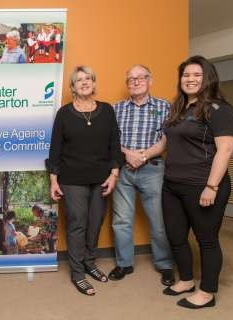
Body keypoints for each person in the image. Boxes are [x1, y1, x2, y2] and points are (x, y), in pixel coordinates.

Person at [161, 55, 233, 309]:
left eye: (196, 75)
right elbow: (168, 141)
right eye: (185, 75)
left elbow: (225, 150)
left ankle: (207, 292)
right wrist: (142, 155)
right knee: (176, 236)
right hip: (172, 185)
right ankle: (186, 280)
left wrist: (211, 186)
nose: (190, 79)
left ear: (207, 78)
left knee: (206, 239)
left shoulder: (218, 109)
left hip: (203, 185)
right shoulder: (179, 107)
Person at [46, 65, 123, 296]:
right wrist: (54, 180)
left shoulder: (107, 110)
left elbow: (114, 145)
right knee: (77, 223)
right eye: (79, 80)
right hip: (72, 179)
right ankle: (78, 273)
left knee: (95, 222)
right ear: (73, 87)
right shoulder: (64, 113)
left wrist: (114, 174)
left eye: (88, 78)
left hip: (101, 178)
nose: (84, 82)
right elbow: (55, 149)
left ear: (94, 83)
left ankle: (90, 262)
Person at [110, 65, 174, 286]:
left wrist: (144, 156)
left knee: (158, 220)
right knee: (121, 220)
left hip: (153, 169)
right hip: (124, 170)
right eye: (130, 79)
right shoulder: (115, 109)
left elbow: (167, 139)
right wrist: (128, 154)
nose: (135, 82)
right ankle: (124, 263)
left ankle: (165, 265)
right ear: (127, 83)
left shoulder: (165, 106)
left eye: (140, 78)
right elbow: (110, 140)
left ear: (150, 80)